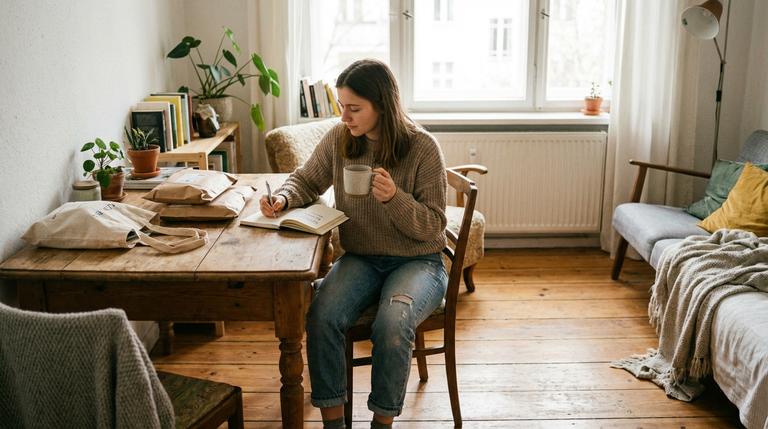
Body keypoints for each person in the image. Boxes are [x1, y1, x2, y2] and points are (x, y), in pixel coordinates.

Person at [259, 59, 448, 429]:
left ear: (383, 105)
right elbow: (306, 180)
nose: (344, 116)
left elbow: (433, 225)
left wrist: (395, 199)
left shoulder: (423, 147)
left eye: (354, 108)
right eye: (341, 106)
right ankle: (334, 424)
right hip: (361, 257)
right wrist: (282, 197)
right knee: (322, 316)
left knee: (392, 323)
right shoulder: (340, 138)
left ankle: (382, 423)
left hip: (419, 261)